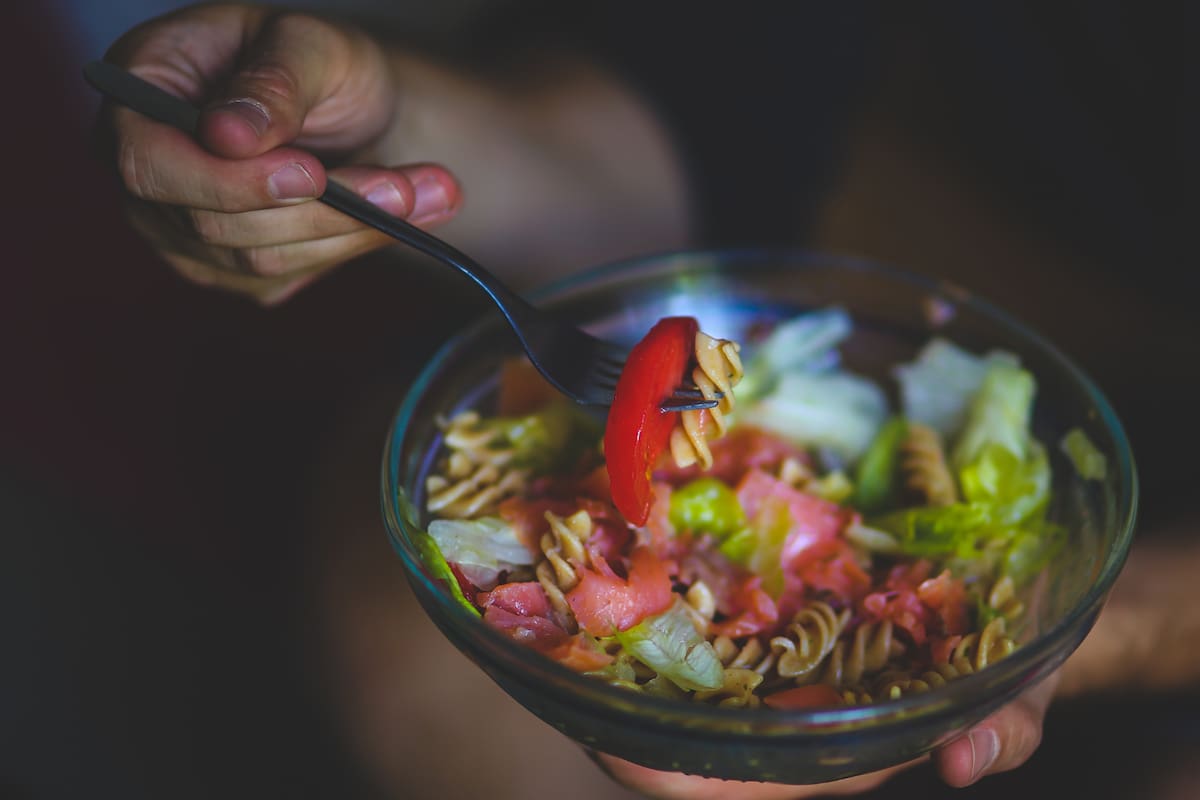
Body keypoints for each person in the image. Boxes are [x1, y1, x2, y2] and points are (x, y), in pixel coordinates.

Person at [91, 3, 1194, 798]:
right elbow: (721, 99)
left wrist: (1103, 627)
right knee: (405, 634)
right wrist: (398, 129)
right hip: (920, 194)